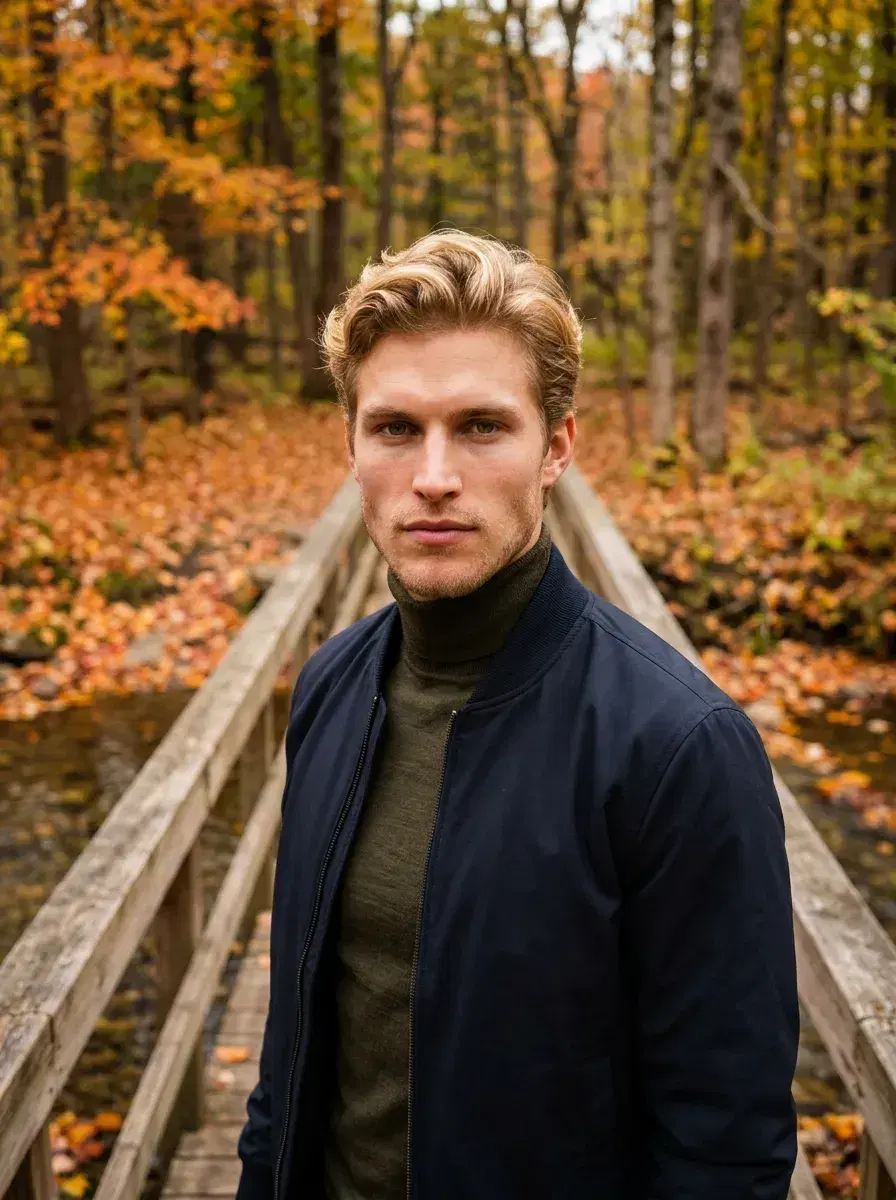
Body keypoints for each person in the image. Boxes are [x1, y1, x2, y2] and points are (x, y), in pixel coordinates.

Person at [235, 230, 799, 1200]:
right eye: (396, 428)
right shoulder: (329, 686)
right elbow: (292, 1049)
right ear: (352, 446)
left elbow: (724, 1146)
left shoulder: (674, 748)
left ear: (557, 448)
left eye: (483, 426)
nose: (435, 476)